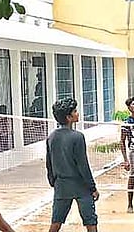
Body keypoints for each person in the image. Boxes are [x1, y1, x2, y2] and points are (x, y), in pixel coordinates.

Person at [46, 98, 99, 232]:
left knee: (56, 222)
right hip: (81, 185)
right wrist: (92, 187)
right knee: (90, 222)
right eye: (75, 111)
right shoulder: (78, 137)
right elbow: (83, 165)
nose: (77, 113)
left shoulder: (51, 137)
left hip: (61, 185)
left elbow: (49, 164)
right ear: (69, 117)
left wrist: (54, 182)